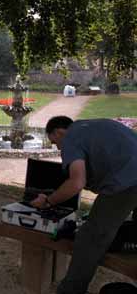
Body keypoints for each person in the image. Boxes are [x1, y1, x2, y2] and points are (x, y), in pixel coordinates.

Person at [30, 116, 137, 294]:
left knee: (90, 237)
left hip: (127, 182)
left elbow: (77, 182)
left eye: (54, 142)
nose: (58, 148)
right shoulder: (94, 125)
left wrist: (48, 201)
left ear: (59, 132)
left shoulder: (71, 137)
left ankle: (71, 290)